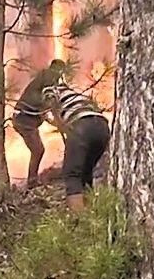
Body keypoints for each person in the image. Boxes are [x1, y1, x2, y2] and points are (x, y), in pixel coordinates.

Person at [41, 79, 110, 212]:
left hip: (81, 126)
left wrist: (53, 117)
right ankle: (91, 210)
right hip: (102, 127)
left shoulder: (52, 88)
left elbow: (50, 100)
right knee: (85, 172)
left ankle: (81, 220)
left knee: (72, 174)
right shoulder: (77, 95)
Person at [12, 59, 67, 188]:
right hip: (24, 121)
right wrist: (59, 122)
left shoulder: (42, 79)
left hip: (25, 119)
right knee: (38, 150)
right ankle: (32, 182)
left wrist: (55, 122)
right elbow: (49, 103)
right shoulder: (48, 78)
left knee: (38, 150)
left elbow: (43, 109)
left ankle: (33, 180)